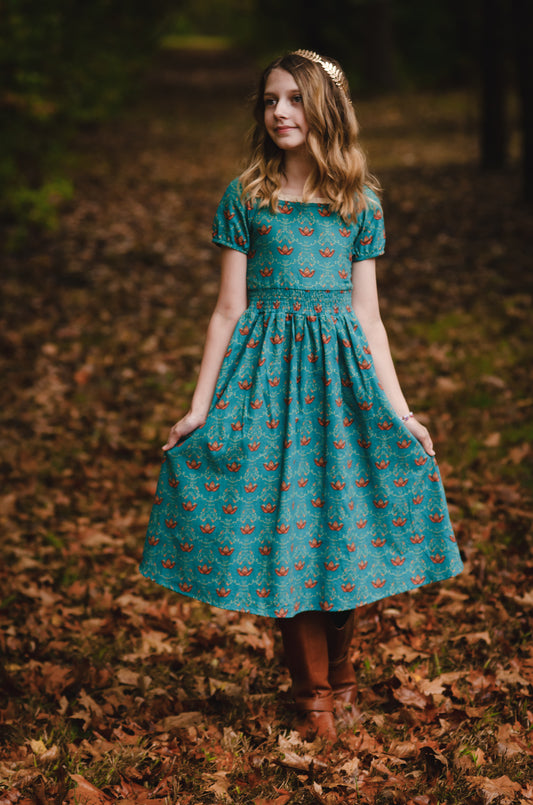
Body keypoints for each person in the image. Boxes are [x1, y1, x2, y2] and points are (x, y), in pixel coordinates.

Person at [139, 49, 463, 742]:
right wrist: (199, 406)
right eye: (268, 101)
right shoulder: (247, 198)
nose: (279, 112)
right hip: (264, 389)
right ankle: (312, 695)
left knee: (341, 531)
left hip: (341, 389)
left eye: (292, 98)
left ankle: (341, 677)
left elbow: (368, 317)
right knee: (285, 535)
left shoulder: (358, 205)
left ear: (324, 108)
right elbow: (227, 309)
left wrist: (399, 409)